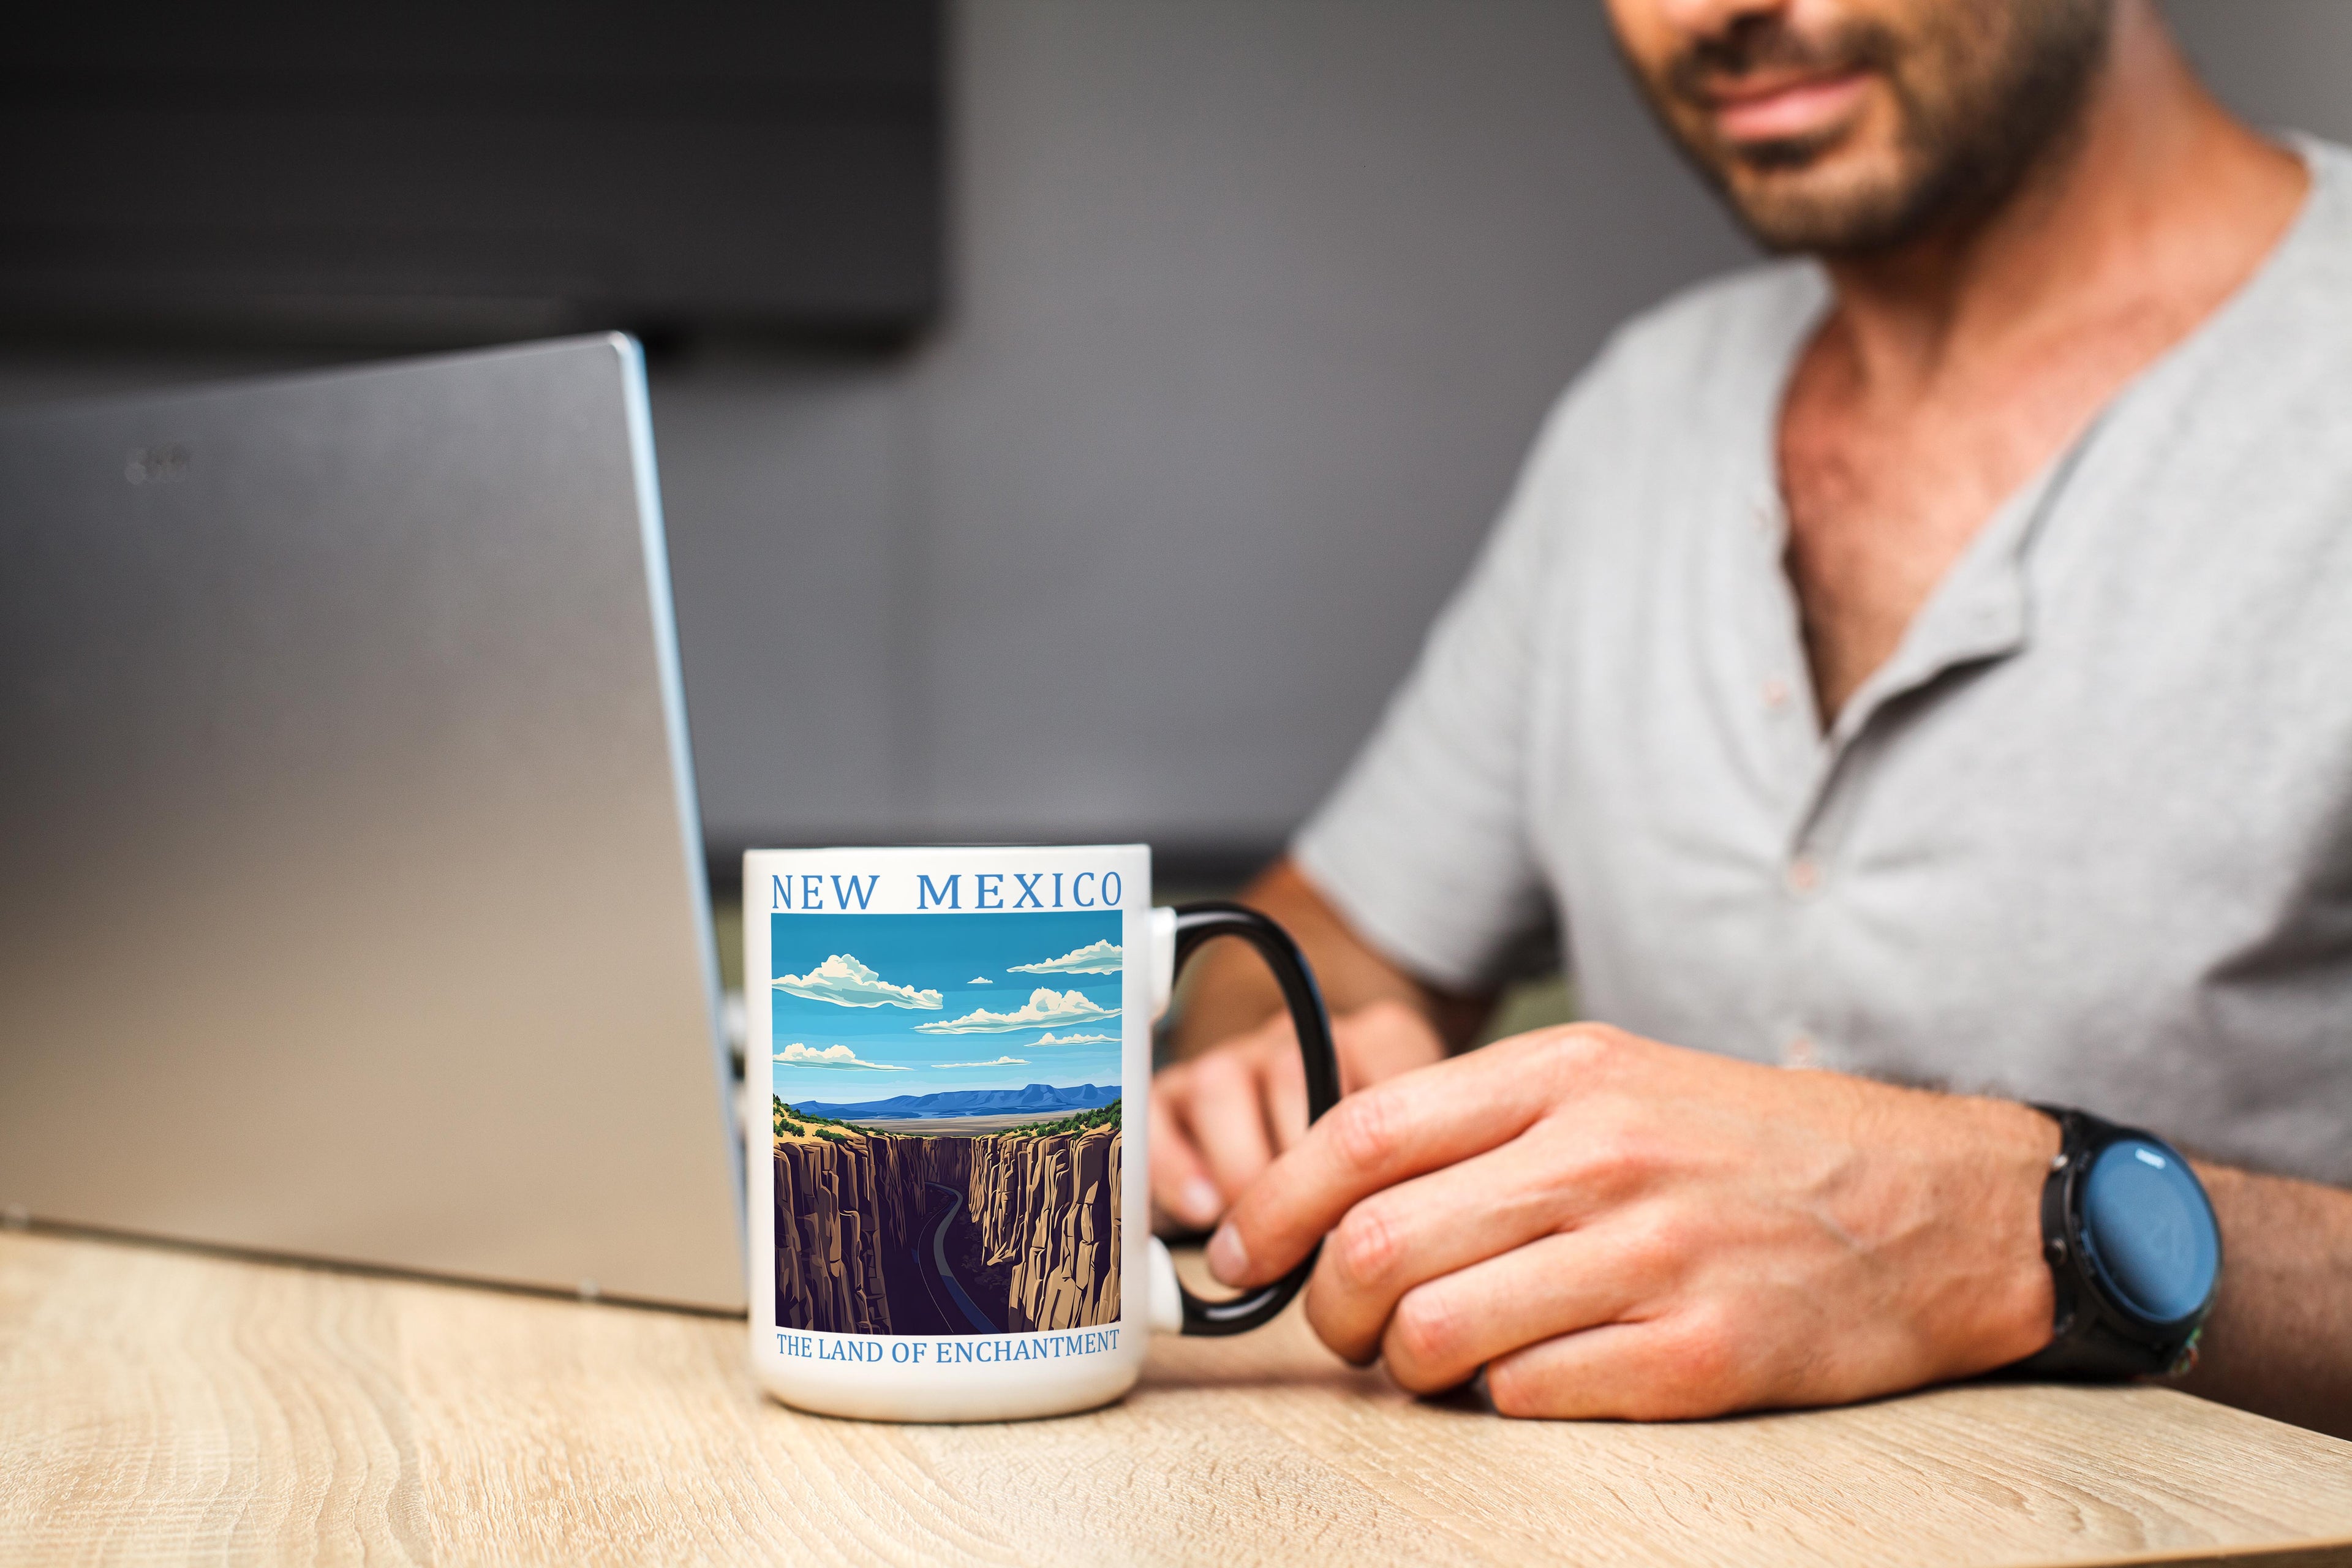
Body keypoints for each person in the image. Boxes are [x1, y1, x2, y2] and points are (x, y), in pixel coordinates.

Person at [1148, 0, 2352, 1437]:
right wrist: (1290, 1059)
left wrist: (2009, 1229)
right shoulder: (1641, 417)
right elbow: (1327, 934)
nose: (1718, 11)